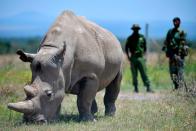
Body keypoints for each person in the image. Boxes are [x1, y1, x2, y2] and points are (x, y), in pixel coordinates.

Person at [162, 17, 189, 90]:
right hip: (172, 55)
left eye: (177, 21)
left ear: (180, 22)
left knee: (180, 73)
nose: (175, 23)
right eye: (174, 21)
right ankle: (176, 87)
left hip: (179, 56)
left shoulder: (182, 32)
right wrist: (165, 48)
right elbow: (166, 41)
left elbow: (182, 43)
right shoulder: (170, 31)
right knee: (172, 73)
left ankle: (181, 89)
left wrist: (178, 55)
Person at [125, 24, 153, 93]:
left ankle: (148, 87)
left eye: (137, 29)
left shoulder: (142, 37)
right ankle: (135, 88)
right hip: (133, 57)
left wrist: (144, 56)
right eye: (135, 29)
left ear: (139, 29)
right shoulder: (130, 38)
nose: (136, 30)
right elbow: (126, 48)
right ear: (132, 30)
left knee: (144, 73)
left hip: (141, 57)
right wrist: (128, 57)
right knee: (134, 74)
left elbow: (145, 47)